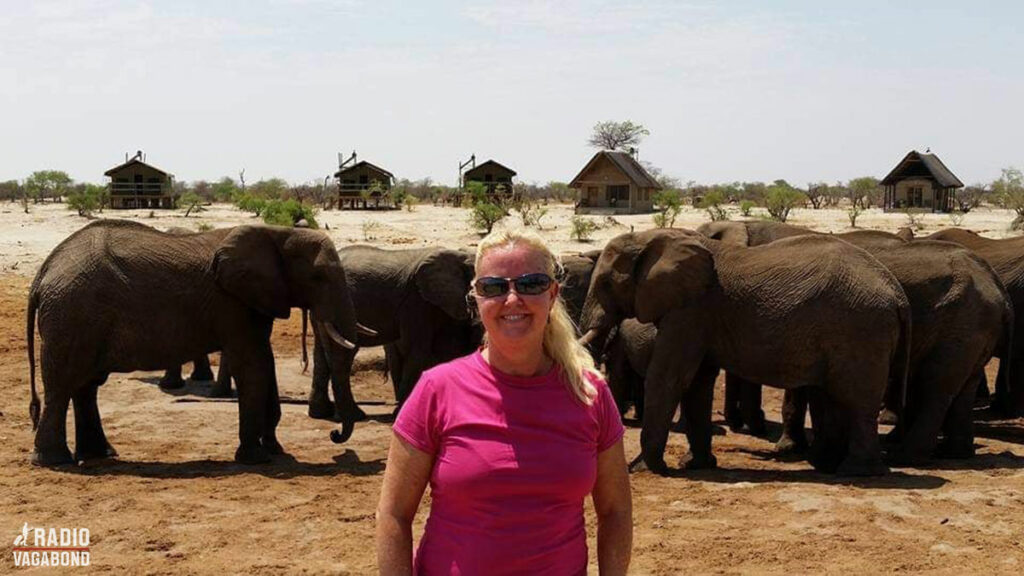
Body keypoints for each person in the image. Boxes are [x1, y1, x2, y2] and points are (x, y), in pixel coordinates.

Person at [376, 228, 632, 575]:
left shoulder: (589, 394)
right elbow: (394, 514)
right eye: (493, 288)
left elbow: (615, 511)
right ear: (476, 299)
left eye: (530, 284)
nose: (512, 300)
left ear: (553, 294)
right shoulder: (436, 390)